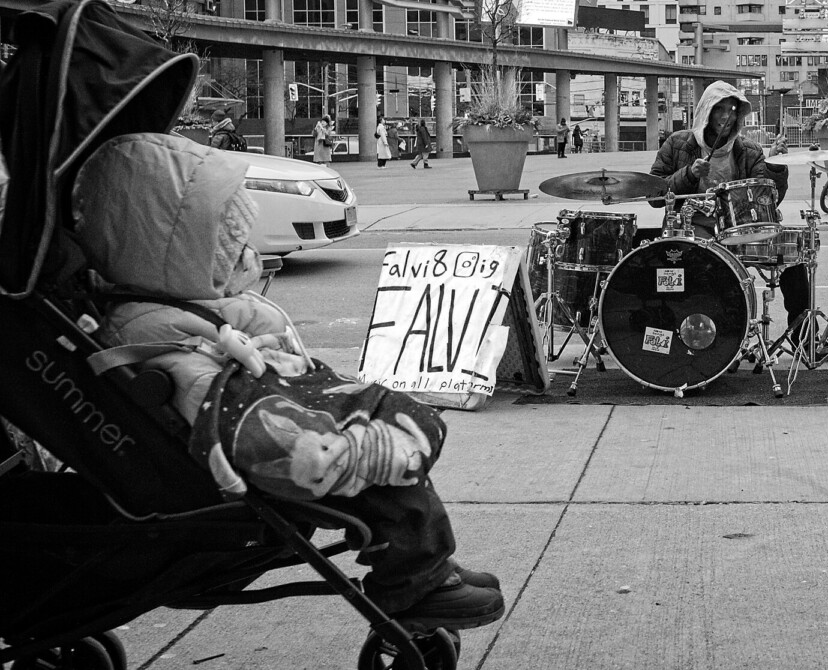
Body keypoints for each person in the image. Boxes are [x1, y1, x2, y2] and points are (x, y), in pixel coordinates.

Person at [73, 132, 505, 633]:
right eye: (225, 249)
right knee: (387, 476)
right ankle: (413, 583)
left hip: (264, 396)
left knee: (394, 452)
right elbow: (216, 406)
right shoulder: (153, 335)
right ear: (171, 253)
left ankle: (423, 561)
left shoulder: (161, 306)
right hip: (266, 438)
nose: (242, 258)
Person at [649, 80, 809, 341]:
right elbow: (654, 196)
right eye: (719, 108)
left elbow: (769, 200)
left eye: (732, 109)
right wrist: (688, 174)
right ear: (706, 111)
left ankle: (803, 337)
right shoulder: (677, 144)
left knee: (795, 251)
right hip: (691, 229)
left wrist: (774, 165)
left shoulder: (749, 150)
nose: (725, 115)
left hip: (738, 231)